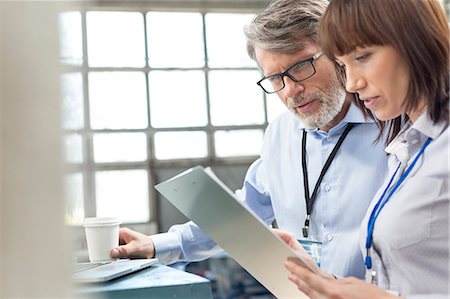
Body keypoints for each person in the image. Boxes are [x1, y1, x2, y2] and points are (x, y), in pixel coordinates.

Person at [110, 0, 388, 279]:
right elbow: (241, 217)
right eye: (275, 78)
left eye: (302, 66)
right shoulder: (280, 134)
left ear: (338, 53)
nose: (291, 90)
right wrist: (155, 244)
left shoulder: (394, 127)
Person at [283, 0, 449, 297]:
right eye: (343, 65)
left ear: (416, 40)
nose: (351, 84)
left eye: (363, 56)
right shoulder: (405, 147)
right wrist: (322, 280)